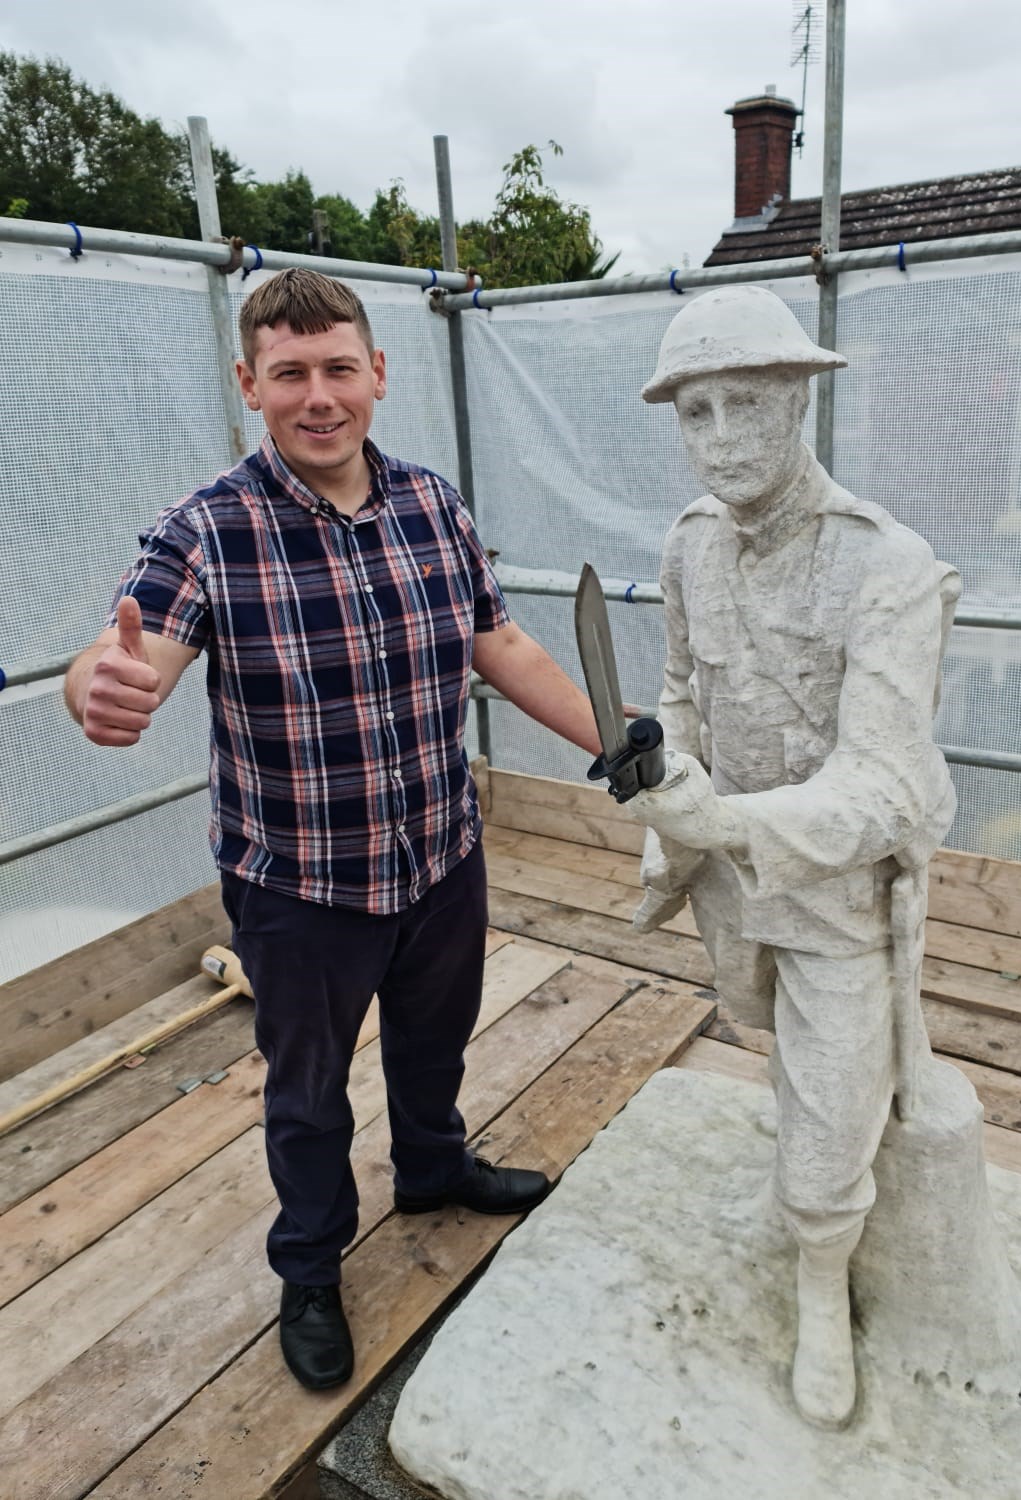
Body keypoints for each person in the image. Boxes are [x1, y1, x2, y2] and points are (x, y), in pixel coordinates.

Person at [64, 268, 601, 1391]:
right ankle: (310, 1266)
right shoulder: (206, 529)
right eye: (292, 373)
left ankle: (433, 1170)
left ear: (378, 375)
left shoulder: (432, 504)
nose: (320, 397)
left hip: (439, 853)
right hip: (301, 885)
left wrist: (614, 733)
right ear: (250, 384)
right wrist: (100, 685)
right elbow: (134, 651)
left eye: (339, 369)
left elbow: (496, 643)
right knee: (306, 1093)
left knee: (432, 1041)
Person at [628, 286, 960, 1429]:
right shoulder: (686, 548)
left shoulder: (888, 564)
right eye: (696, 412)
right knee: (773, 1045)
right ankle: (813, 1202)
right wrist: (661, 768)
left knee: (829, 1115)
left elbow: (886, 782)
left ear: (799, 400)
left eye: (745, 406)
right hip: (729, 884)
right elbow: (679, 696)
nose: (718, 439)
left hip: (834, 893)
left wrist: (729, 822)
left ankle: (824, 1277)